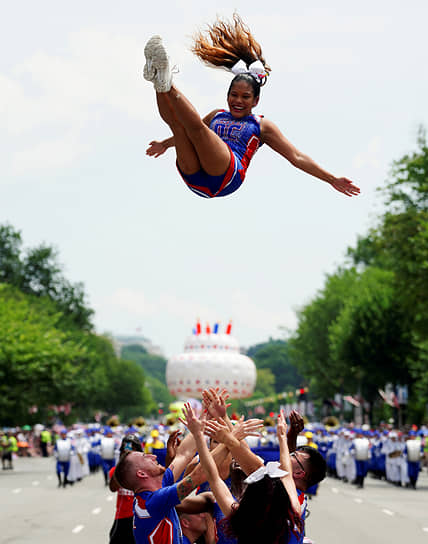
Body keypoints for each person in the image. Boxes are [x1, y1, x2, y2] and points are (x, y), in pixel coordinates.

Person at [143, 14, 360, 200]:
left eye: (245, 97)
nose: (238, 101)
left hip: (226, 175)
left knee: (196, 131)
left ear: (255, 101)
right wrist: (164, 144)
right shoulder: (218, 115)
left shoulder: (261, 125)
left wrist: (332, 179)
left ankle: (169, 83)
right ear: (227, 96)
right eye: (234, 95)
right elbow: (187, 130)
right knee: (180, 128)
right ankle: (157, 81)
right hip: (195, 180)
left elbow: (297, 157)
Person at [181, 403, 305, 544]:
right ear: (285, 499)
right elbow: (286, 475)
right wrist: (282, 437)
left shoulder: (239, 521)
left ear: (246, 498)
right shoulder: (295, 513)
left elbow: (212, 477)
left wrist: (199, 436)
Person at [108, 434, 143, 544]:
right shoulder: (116, 470)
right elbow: (113, 488)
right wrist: (121, 463)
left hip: (139, 517)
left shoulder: (145, 470)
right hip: (122, 516)